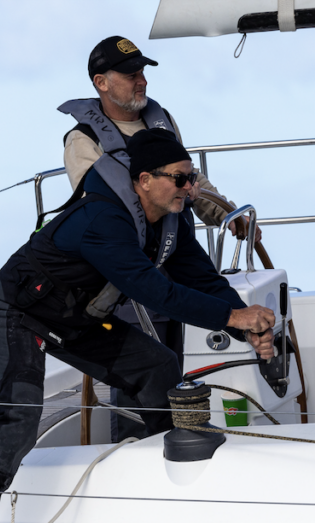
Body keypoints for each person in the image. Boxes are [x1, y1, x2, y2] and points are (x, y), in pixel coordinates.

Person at [0, 128, 275, 523]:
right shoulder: (103, 219)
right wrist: (232, 315)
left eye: (191, 178)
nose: (190, 189)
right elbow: (153, 290)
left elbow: (203, 280)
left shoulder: (171, 218)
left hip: (76, 317)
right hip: (19, 313)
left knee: (158, 366)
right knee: (21, 411)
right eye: (179, 178)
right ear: (144, 180)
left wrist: (244, 328)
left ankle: (166, 480)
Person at [58, 36, 257, 442]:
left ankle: (172, 440)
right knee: (136, 367)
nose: (141, 82)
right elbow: (99, 209)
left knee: (170, 359)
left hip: (173, 251)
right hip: (126, 268)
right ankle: (136, 446)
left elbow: (188, 177)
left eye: (143, 73)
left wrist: (221, 213)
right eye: (131, 75)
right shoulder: (83, 140)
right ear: (102, 82)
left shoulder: (160, 119)